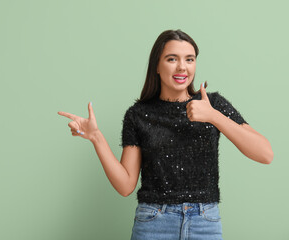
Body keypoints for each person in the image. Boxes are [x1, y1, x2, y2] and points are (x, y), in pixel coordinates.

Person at [57, 29, 273, 240]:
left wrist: (214, 116)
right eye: (172, 59)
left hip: (205, 223)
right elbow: (125, 185)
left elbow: (265, 154)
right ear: (157, 67)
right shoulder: (138, 115)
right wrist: (96, 138)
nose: (182, 67)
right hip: (154, 222)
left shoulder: (212, 104)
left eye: (189, 59)